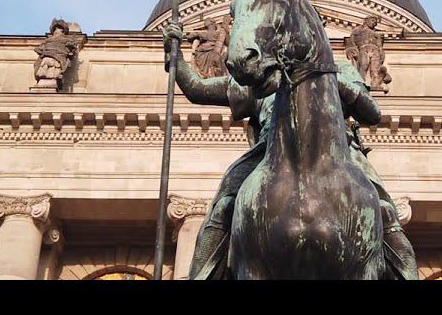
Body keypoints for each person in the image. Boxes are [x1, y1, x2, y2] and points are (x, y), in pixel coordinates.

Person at [164, 22, 418, 280]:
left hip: (340, 150)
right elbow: (197, 89)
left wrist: (327, 77)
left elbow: (371, 111)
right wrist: (175, 56)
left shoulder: (341, 70)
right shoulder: (261, 80)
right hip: (267, 152)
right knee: (223, 206)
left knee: (384, 210)